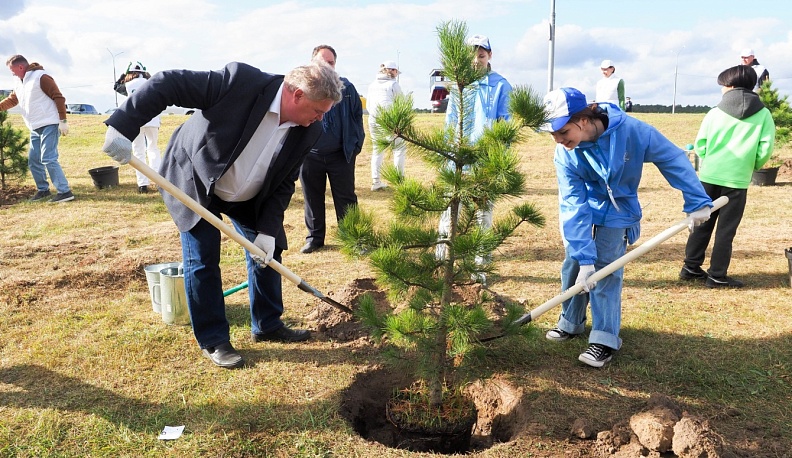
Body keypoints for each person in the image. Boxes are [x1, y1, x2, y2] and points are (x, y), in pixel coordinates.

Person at [102, 61, 344, 369]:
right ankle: (214, 339)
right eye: (317, 111)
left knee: (268, 253)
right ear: (296, 95)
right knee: (203, 256)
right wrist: (122, 126)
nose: (319, 120)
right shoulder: (240, 83)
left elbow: (283, 182)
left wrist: (268, 231)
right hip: (196, 180)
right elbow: (167, 83)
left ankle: (268, 325)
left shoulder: (310, 130)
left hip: (248, 193)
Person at [539, 87, 713, 368]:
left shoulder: (633, 131)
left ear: (582, 120)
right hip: (586, 208)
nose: (559, 141)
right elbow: (573, 204)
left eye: (562, 132)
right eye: (553, 135)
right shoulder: (566, 155)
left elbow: (672, 158)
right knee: (574, 264)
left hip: (620, 211)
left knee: (607, 267)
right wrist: (584, 257)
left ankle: (603, 339)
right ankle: (570, 322)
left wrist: (696, 199)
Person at [680, 65, 775, 288]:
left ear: (730, 86)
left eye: (723, 85)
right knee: (726, 230)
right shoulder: (763, 114)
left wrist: (709, 160)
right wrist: (751, 165)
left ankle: (690, 267)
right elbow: (765, 148)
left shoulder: (715, 112)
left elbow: (701, 144)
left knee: (701, 222)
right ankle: (716, 275)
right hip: (738, 179)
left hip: (710, 175)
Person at [436, 34, 512, 283]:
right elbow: (451, 123)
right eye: (472, 55)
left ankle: (479, 270)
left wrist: (496, 158)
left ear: (489, 55)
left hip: (484, 164)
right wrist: (449, 155)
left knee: (482, 217)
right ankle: (440, 265)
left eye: (481, 55)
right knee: (450, 214)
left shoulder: (500, 85)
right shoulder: (461, 85)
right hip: (457, 162)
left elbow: (506, 126)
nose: (476, 60)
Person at [299, 45, 365, 254]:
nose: (328, 65)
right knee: (312, 197)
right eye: (323, 61)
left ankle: (352, 238)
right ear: (312, 63)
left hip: (341, 155)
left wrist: (355, 145)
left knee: (346, 197)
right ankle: (315, 239)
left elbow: (357, 117)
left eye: (331, 62)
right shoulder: (302, 88)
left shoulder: (347, 89)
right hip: (310, 155)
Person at [0, 54, 74, 203]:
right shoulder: (19, 82)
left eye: (12, 70)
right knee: (34, 160)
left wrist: (63, 120)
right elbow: (13, 99)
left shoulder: (41, 77)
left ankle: (65, 192)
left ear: (20, 67)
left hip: (50, 123)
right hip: (34, 126)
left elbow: (58, 97)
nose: (12, 73)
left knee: (48, 158)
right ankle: (43, 190)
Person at [122, 62, 161, 194]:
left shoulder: (127, 85)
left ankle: (142, 184)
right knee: (153, 148)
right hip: (152, 119)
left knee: (138, 152)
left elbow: (117, 86)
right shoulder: (151, 82)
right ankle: (158, 180)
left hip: (135, 120)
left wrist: (123, 74)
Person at [366, 60, 406, 191]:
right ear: (392, 71)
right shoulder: (394, 84)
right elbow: (401, 104)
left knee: (377, 149)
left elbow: (368, 105)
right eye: (395, 71)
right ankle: (398, 180)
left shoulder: (372, 85)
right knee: (399, 149)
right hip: (390, 120)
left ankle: (376, 181)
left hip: (373, 119)